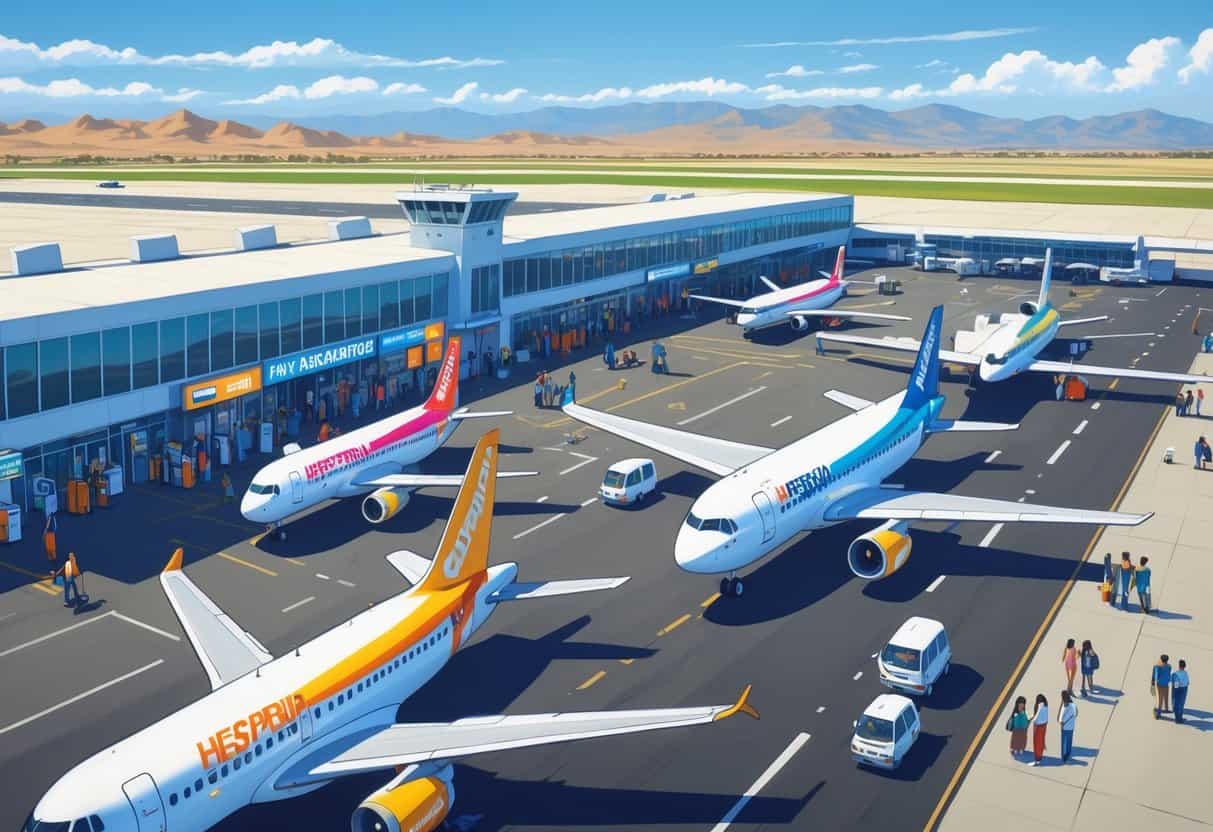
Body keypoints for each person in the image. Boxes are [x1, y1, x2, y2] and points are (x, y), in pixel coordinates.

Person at [1058, 690, 1078, 764]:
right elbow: (1076, 713)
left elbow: (1063, 719)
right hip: (1071, 726)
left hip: (1065, 727)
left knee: (1064, 743)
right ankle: (1068, 754)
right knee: (1069, 741)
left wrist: (1061, 723)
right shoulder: (1073, 705)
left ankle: (1064, 757)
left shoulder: (1066, 706)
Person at [1151, 654, 1173, 719]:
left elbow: (1155, 676)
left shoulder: (1157, 666)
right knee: (1166, 696)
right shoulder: (1169, 666)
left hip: (1159, 684)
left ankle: (1158, 714)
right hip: (1166, 683)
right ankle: (1166, 709)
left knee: (1159, 699)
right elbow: (1169, 673)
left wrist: (1153, 683)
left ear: (1161, 659)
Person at [1030, 694, 1049, 766]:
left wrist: (1032, 720)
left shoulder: (1040, 706)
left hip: (1038, 726)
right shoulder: (1046, 705)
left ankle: (1037, 760)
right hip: (1044, 725)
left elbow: (1037, 715)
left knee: (1036, 743)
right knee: (1041, 740)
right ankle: (1040, 754)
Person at [1172, 659, 1190, 724]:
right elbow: (1188, 682)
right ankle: (1180, 718)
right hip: (1184, 689)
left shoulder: (1175, 674)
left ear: (1179, 666)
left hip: (1177, 689)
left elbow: (1175, 683)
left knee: (1176, 703)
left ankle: (1177, 719)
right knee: (1181, 704)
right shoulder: (1186, 673)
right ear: (1185, 666)